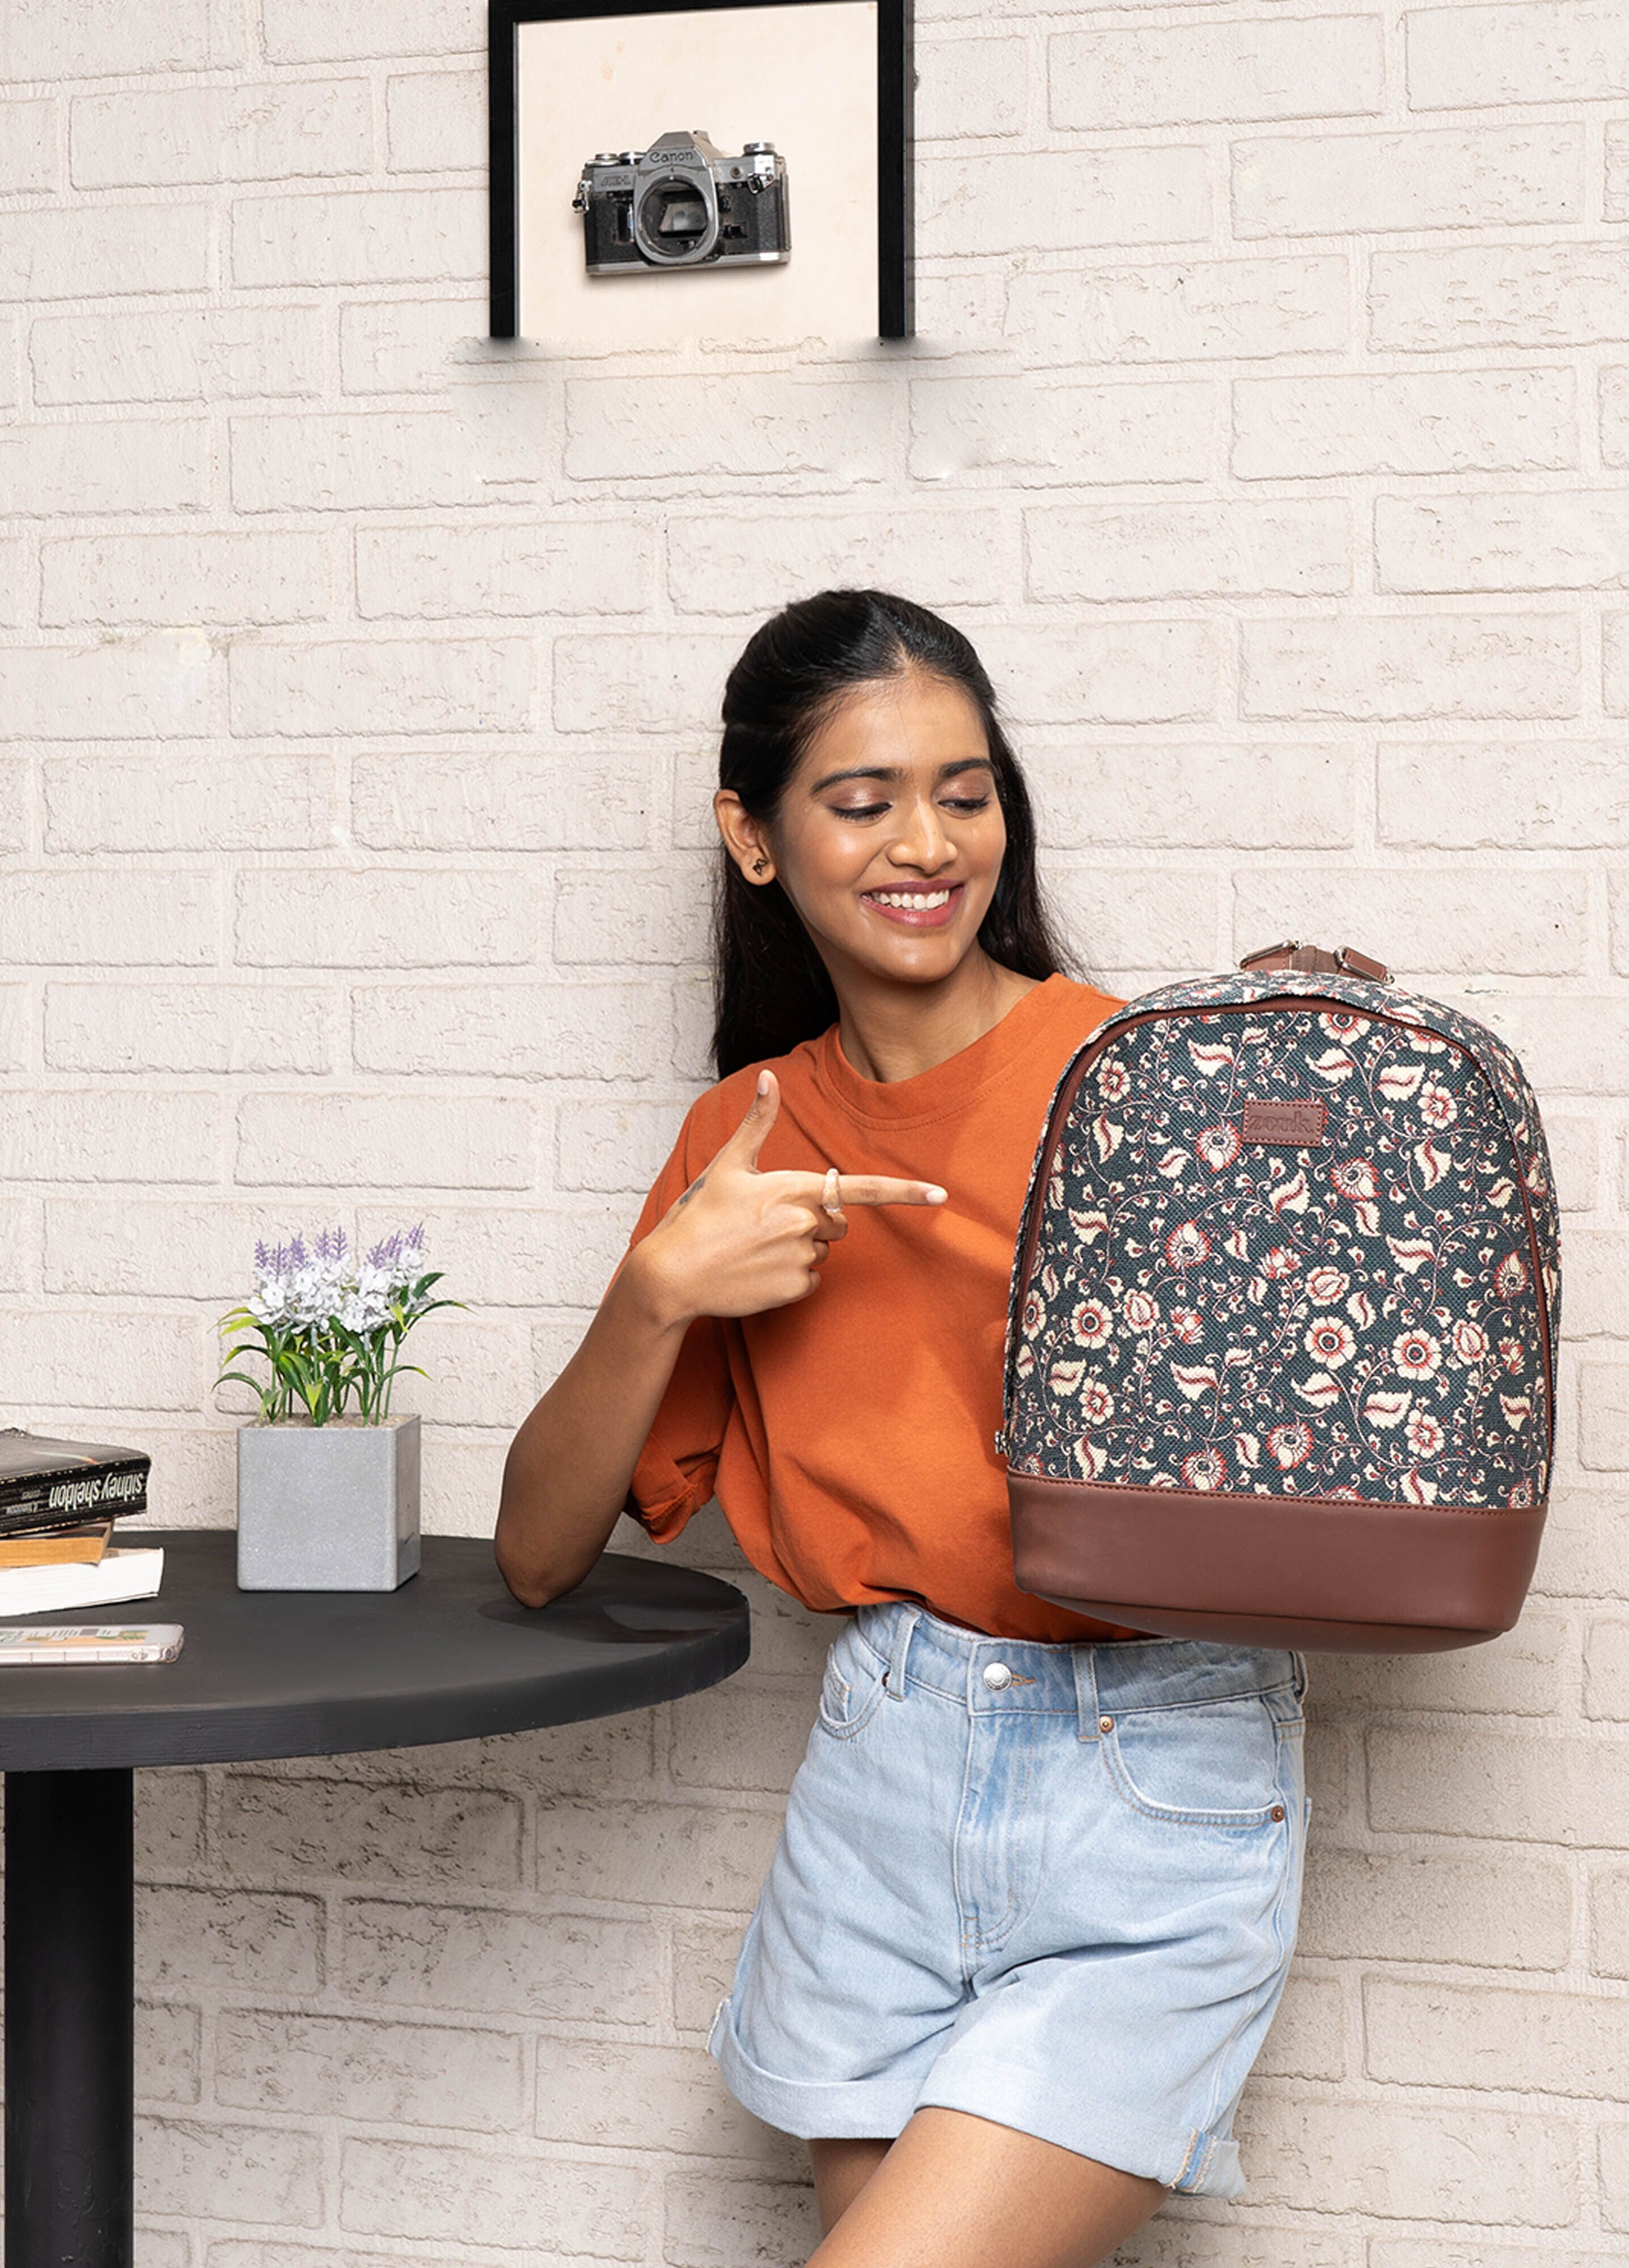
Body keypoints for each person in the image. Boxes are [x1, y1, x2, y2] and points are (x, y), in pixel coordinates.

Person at [496, 590, 1308, 2268]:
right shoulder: (747, 1134)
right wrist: (658, 1295)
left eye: (965, 792)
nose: (928, 845)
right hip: (880, 1778)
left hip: (1145, 1771)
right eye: (863, 802)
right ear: (755, 836)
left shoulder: (1142, 1086)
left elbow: (1293, 1485)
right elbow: (537, 1555)